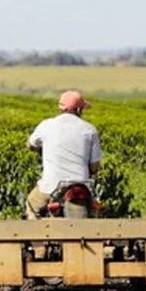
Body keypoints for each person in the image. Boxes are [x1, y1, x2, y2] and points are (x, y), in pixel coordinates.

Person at [25, 89, 102, 218]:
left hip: (51, 187)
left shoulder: (46, 125)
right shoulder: (90, 130)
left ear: (60, 108)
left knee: (31, 205)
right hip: (82, 186)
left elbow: (30, 144)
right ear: (78, 110)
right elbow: (95, 166)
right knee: (95, 213)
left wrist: (38, 149)